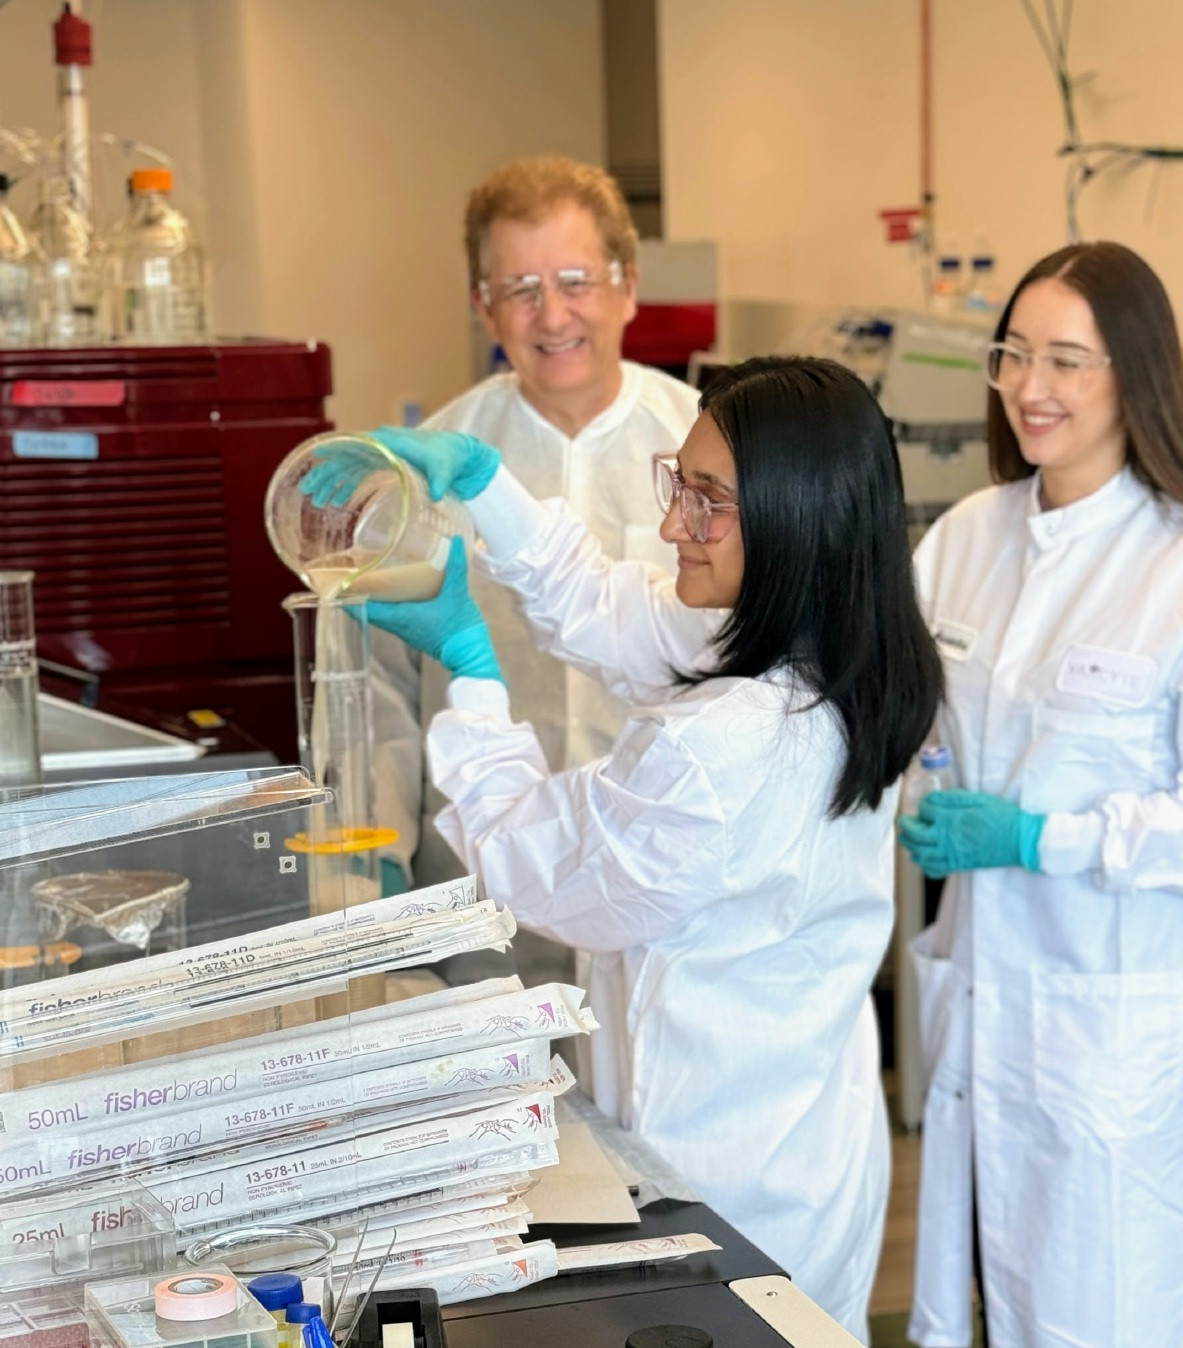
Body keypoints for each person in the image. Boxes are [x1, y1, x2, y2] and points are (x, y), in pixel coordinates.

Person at [351, 357, 943, 1338]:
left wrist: (472, 675)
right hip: (805, 1146)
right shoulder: (837, 653)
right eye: (683, 483)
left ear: (798, 524)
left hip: (721, 1175)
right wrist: (484, 481)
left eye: (709, 502)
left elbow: (533, 866)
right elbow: (616, 609)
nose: (675, 523)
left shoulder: (728, 741)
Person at [898, 241, 1183, 1347]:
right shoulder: (963, 541)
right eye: (1015, 355)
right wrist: (917, 801)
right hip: (988, 996)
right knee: (976, 1297)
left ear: (1136, 373)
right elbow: (910, 726)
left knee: (1109, 1308)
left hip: (1117, 1019)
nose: (1034, 388)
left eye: (1068, 360)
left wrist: (1041, 837)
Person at [373, 155, 699, 909]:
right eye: (520, 289)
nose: (552, 317)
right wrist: (375, 851)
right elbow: (382, 689)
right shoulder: (435, 466)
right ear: (483, 307)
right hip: (481, 886)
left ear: (629, 284)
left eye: (576, 281)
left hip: (661, 879)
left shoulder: (706, 448)